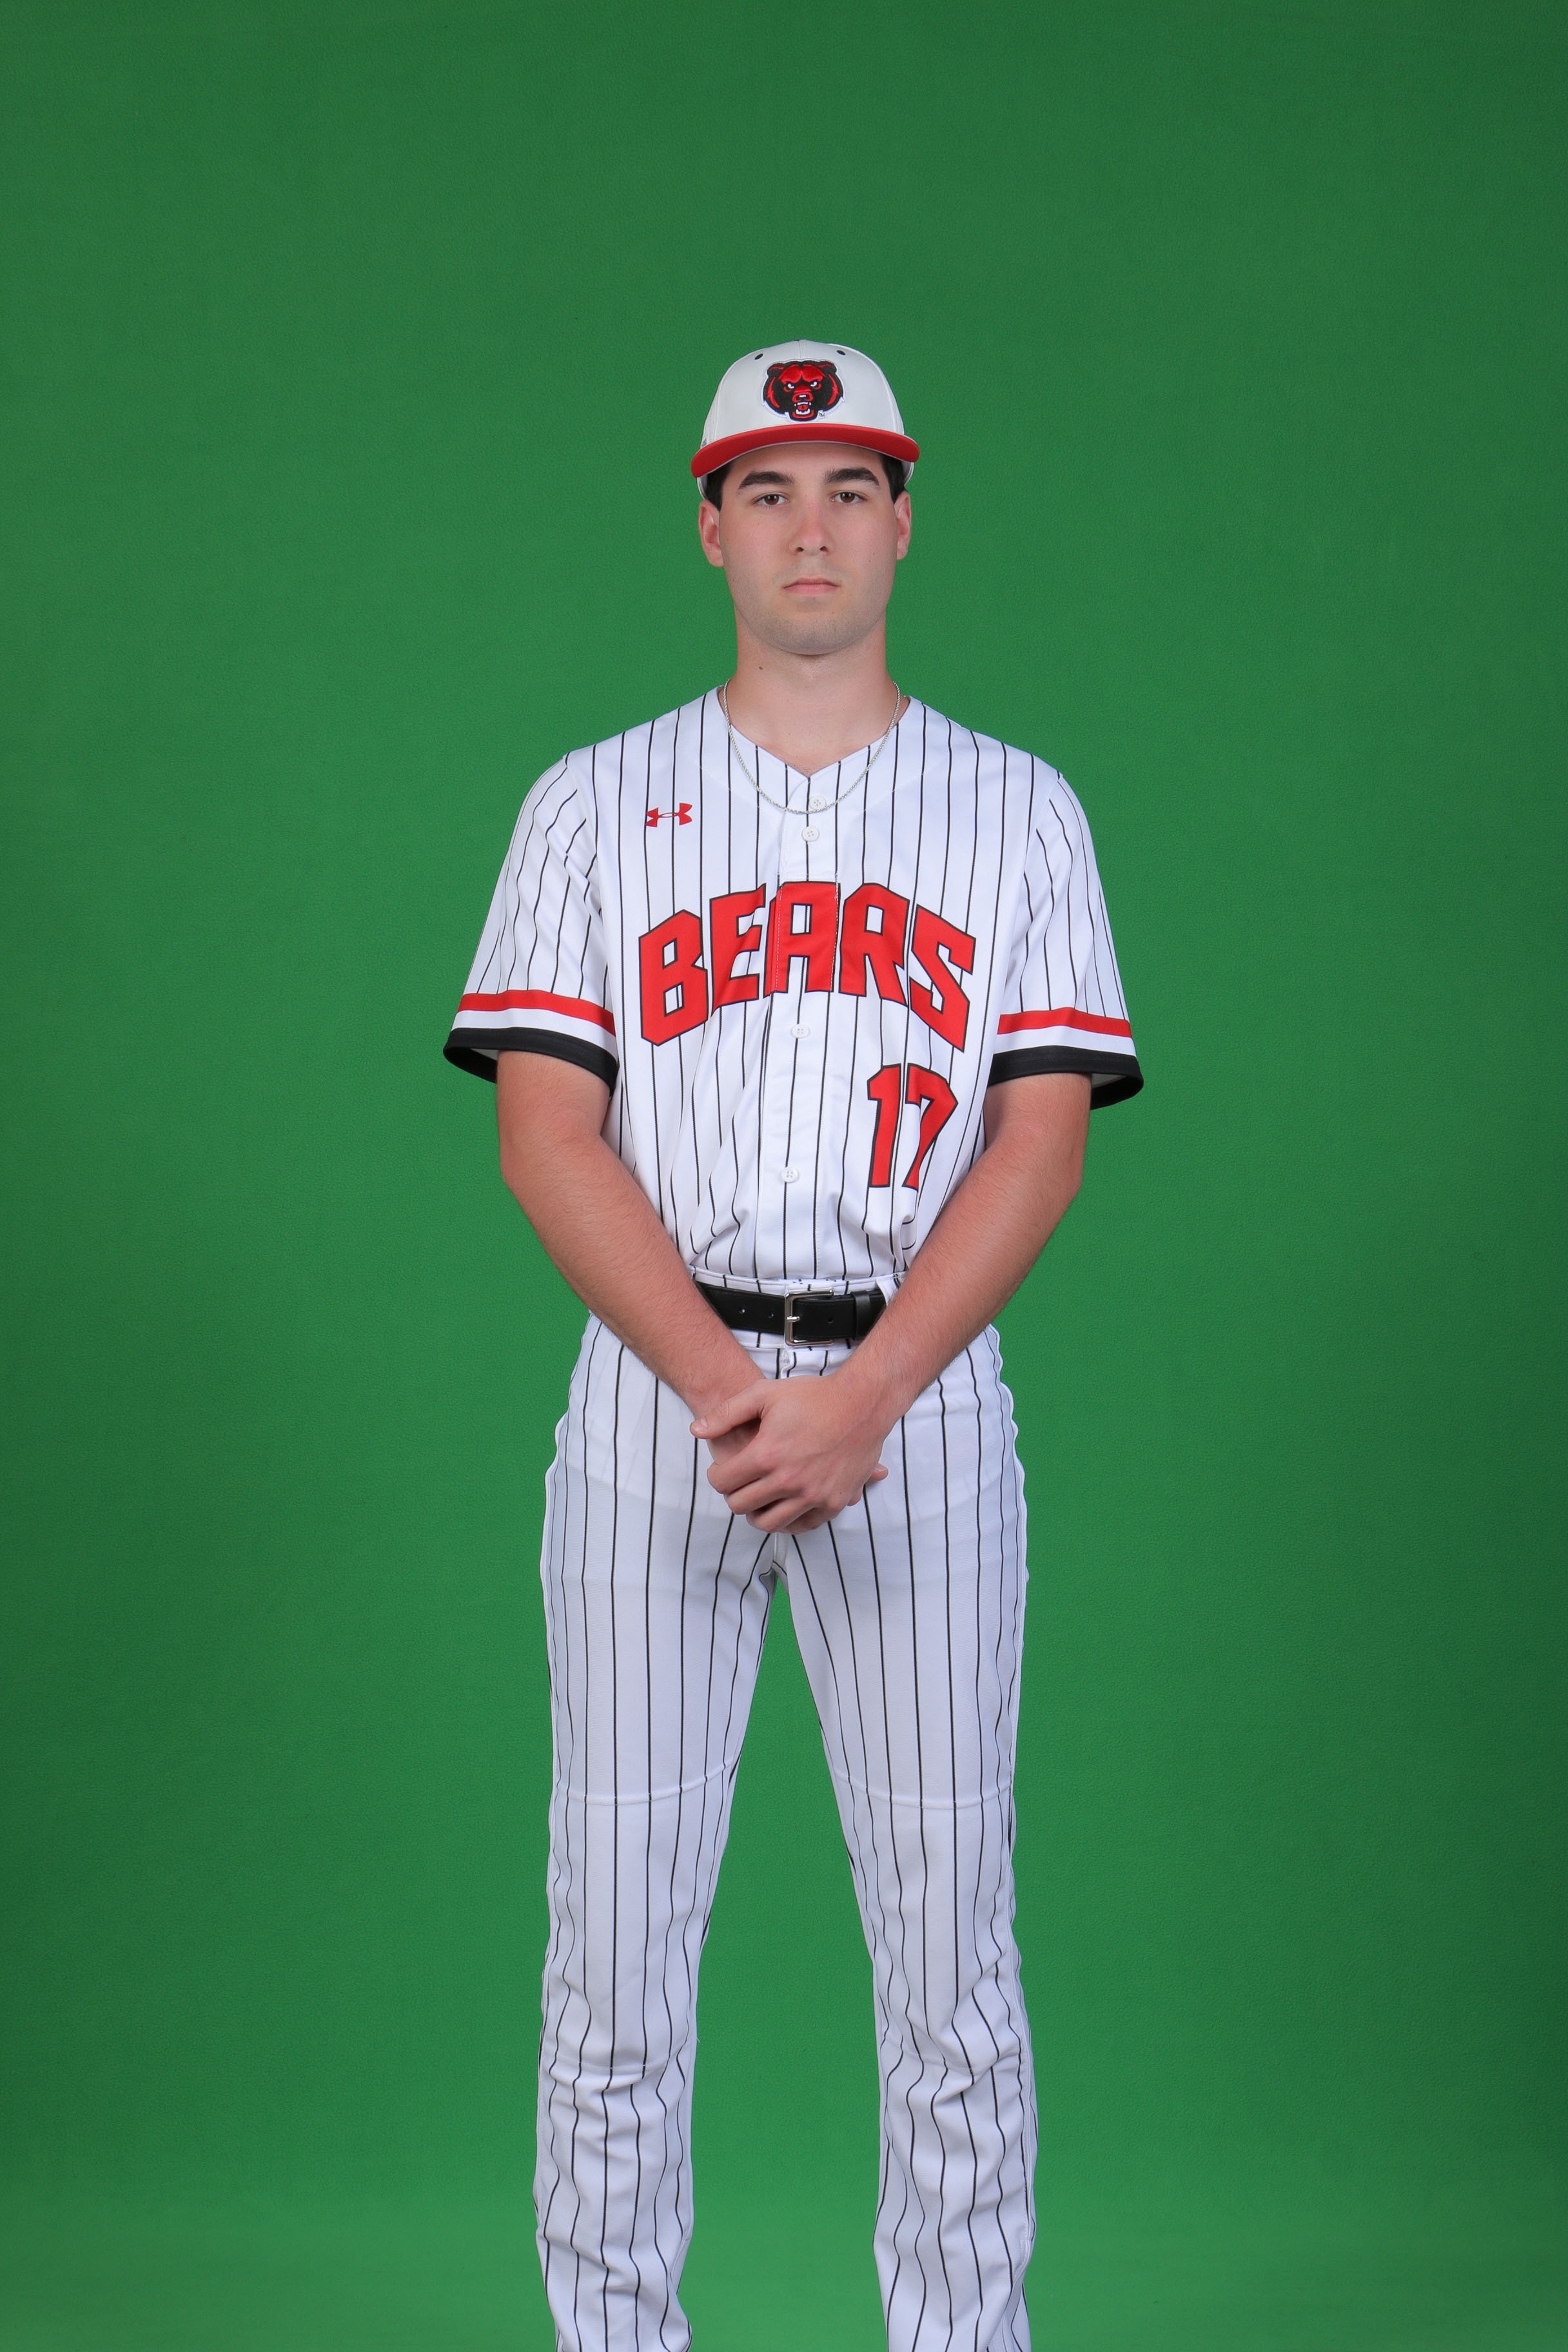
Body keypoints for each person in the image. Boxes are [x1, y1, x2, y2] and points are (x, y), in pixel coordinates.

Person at [444, 340, 1142, 2352]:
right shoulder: (594, 805)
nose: (810, 527)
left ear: (905, 522)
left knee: (951, 1971)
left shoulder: (1018, 810)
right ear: (710, 530)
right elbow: (545, 1133)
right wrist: (728, 1391)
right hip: (660, 1413)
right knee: (612, 1972)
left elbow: (1041, 1143)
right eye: (768, 490)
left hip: (914, 1414)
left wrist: (869, 1398)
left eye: (849, 488)